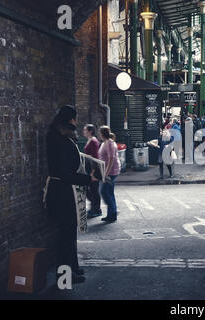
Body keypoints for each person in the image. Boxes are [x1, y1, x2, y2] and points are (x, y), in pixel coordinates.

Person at [45, 105, 98, 284]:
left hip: (59, 191)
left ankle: (72, 270)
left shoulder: (55, 136)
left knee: (67, 235)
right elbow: (67, 173)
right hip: (64, 194)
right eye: (74, 118)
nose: (76, 122)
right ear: (70, 120)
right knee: (65, 238)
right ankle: (65, 278)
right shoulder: (64, 142)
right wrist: (88, 179)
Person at [98, 126, 121, 223]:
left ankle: (113, 213)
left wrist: (106, 174)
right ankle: (112, 214)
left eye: (100, 133)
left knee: (104, 192)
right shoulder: (105, 143)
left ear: (102, 133)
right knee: (109, 192)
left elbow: (111, 159)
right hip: (107, 171)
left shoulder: (110, 144)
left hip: (111, 172)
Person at [82, 124, 102, 218]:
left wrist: (93, 172)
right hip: (89, 168)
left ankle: (96, 209)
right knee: (89, 188)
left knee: (94, 189)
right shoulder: (90, 140)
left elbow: (95, 157)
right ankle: (94, 207)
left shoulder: (93, 141)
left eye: (85, 130)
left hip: (93, 169)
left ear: (90, 131)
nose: (84, 131)